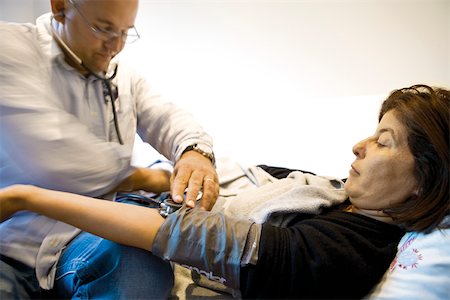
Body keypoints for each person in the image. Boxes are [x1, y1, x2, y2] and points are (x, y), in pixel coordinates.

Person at [1, 84, 448, 299]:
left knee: (139, 273)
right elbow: (236, 176)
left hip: (113, 247)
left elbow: (190, 237)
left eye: (383, 142)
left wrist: (27, 196)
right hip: (109, 216)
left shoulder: (349, 248)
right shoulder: (325, 188)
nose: (359, 145)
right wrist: (158, 174)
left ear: (422, 182)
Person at [0, 0, 218, 299]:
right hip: (13, 246)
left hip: (88, 236)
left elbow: (166, 117)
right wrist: (148, 178)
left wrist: (195, 152)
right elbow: (61, 159)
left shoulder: (123, 76)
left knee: (142, 273)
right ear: (60, 6)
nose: (115, 46)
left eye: (125, 32)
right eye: (102, 29)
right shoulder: (9, 47)